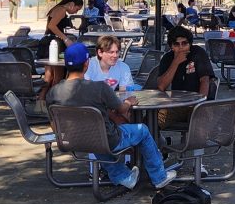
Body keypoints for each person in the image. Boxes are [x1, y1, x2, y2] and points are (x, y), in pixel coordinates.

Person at [47, 43, 175, 190]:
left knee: (94, 133)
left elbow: (53, 124)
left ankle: (124, 176)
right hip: (106, 139)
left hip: (72, 140)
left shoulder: (53, 92)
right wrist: (128, 101)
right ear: (87, 63)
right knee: (142, 130)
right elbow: (121, 110)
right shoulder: (99, 87)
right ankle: (159, 177)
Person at [156, 26, 214, 127]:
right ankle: (157, 141)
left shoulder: (198, 53)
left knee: (199, 121)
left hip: (196, 103)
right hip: (176, 104)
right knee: (152, 120)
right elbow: (161, 86)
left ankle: (196, 143)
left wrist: (200, 104)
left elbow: (205, 80)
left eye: (184, 43)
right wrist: (175, 62)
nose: (181, 47)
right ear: (171, 46)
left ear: (190, 44)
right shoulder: (167, 58)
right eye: (177, 44)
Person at [37, 0, 81, 85]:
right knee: (58, 75)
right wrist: (65, 39)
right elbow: (52, 26)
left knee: (49, 75)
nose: (76, 12)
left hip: (47, 42)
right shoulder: (61, 10)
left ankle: (43, 97)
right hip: (55, 43)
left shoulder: (57, 8)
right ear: (72, 4)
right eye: (77, 9)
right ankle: (54, 96)